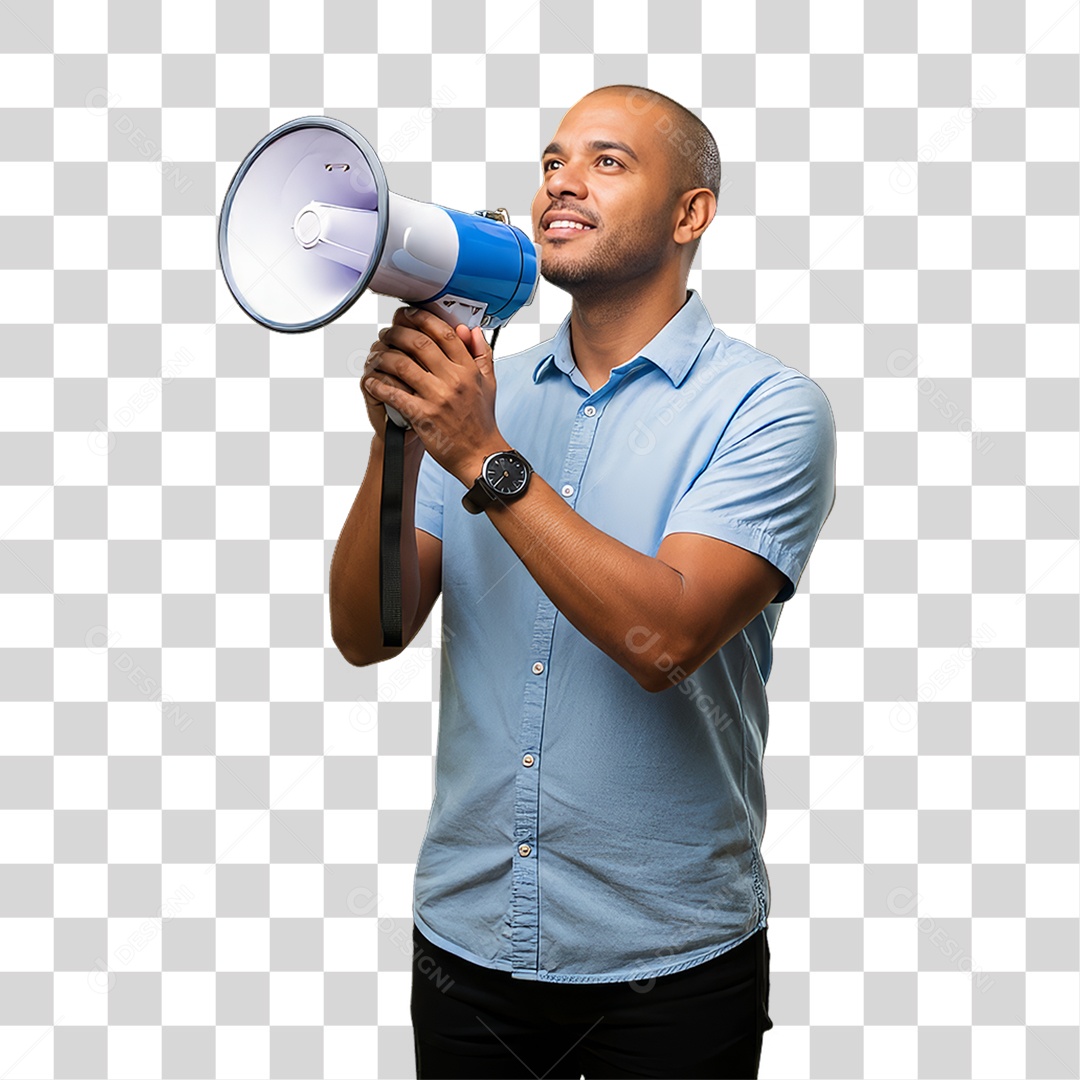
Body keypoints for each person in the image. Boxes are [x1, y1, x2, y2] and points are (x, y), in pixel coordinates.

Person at [329, 84, 836, 1079]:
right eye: (554, 161)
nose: (562, 181)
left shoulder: (768, 410)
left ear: (691, 214)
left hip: (671, 967)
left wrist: (480, 456)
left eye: (608, 161)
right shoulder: (485, 396)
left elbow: (667, 641)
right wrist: (399, 440)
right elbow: (368, 632)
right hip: (467, 949)